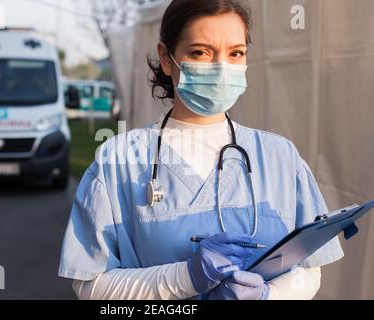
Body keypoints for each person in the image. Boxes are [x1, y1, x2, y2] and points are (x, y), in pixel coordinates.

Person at [58, 0, 344, 300]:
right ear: (166, 59)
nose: (222, 67)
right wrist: (187, 277)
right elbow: (90, 286)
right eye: (200, 52)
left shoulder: (281, 157)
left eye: (236, 53)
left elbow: (311, 269)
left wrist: (268, 296)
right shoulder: (118, 161)